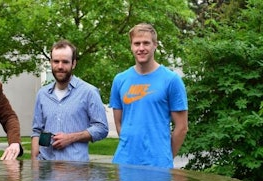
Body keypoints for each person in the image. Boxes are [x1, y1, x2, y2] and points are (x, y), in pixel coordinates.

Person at [109, 23, 188, 168]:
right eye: (136, 43)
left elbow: (182, 127)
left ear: (155, 45)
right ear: (131, 46)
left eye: (146, 43)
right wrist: (130, 146)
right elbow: (119, 123)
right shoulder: (120, 80)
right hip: (124, 162)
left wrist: (166, 156)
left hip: (158, 164)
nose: (141, 48)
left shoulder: (171, 80)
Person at [31, 39, 109, 162]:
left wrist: (71, 138)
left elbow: (102, 128)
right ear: (51, 62)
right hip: (46, 170)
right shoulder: (42, 94)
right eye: (56, 61)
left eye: (65, 62)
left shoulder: (89, 92)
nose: (60, 66)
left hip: (75, 170)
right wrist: (35, 162)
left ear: (73, 64)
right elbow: (36, 131)